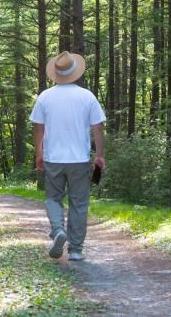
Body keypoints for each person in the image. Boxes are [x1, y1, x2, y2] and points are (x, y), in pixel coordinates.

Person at [29, 50, 106, 261]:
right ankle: (76, 250)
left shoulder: (45, 96)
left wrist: (39, 153)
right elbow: (98, 127)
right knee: (79, 203)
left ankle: (58, 230)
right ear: (76, 72)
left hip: (53, 157)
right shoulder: (86, 96)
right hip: (79, 159)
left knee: (53, 198)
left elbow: (38, 128)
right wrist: (99, 155)